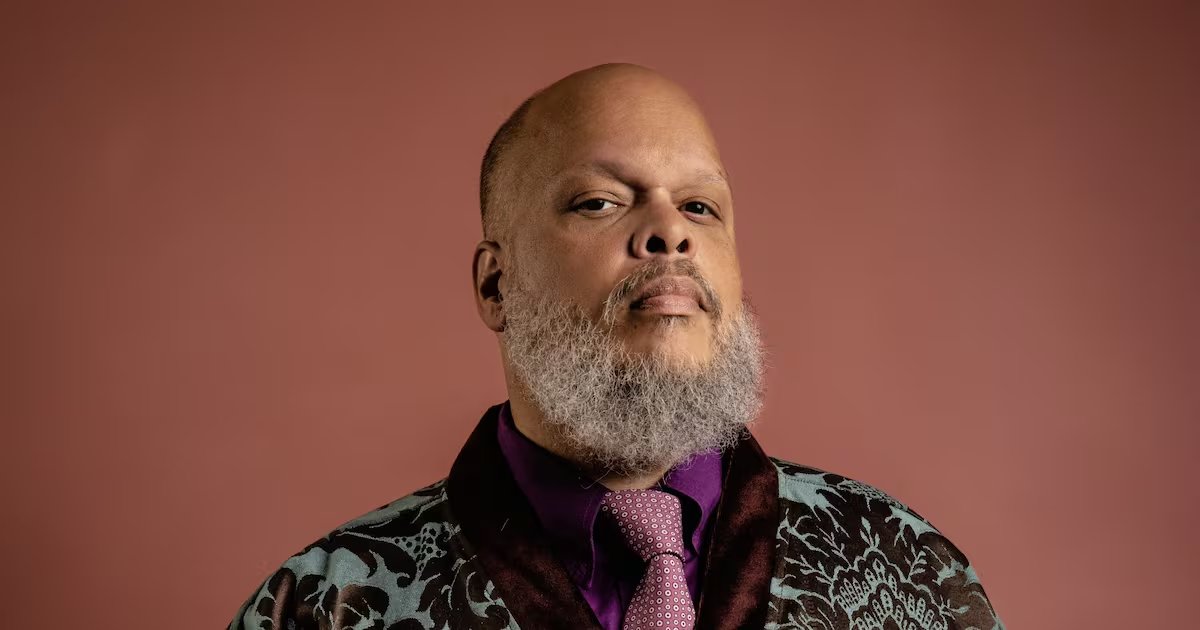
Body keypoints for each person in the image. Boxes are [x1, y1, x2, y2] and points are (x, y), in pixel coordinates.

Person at [230, 63, 1003, 630]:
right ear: (496, 285)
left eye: (700, 206)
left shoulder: (910, 568)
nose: (670, 231)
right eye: (599, 201)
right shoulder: (323, 607)